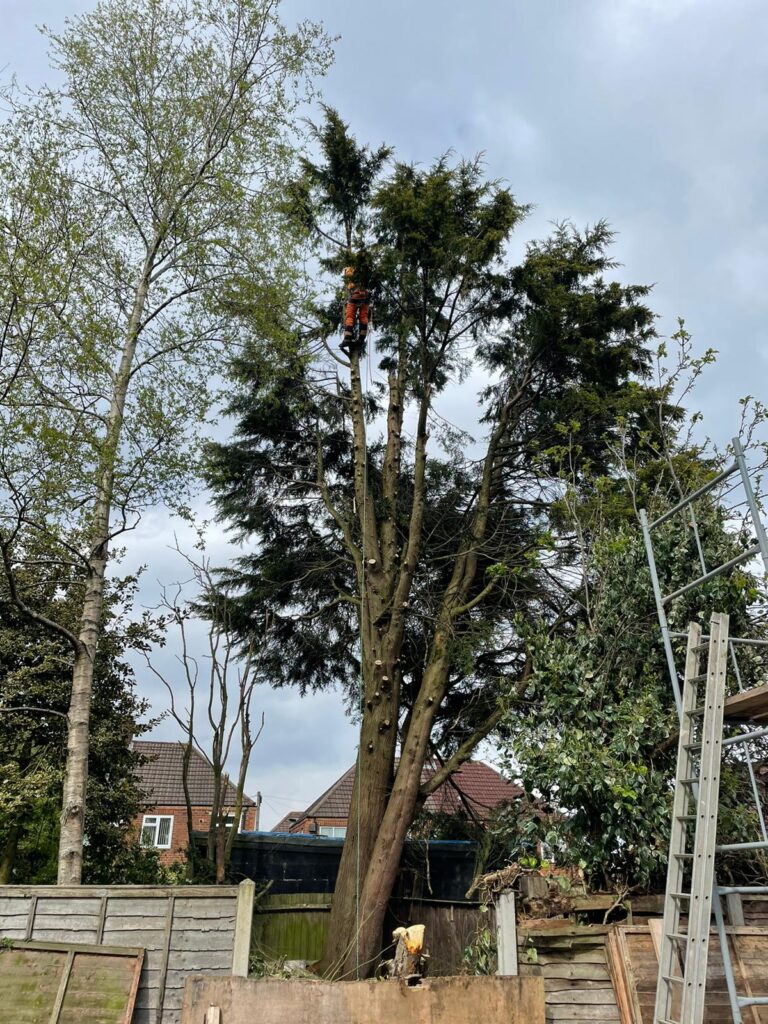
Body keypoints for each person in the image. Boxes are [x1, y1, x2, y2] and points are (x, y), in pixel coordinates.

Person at [340, 263, 371, 355]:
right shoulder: (366, 270)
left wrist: (347, 270)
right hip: (365, 296)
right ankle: (361, 338)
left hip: (355, 295)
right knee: (363, 317)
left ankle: (348, 338)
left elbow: (349, 277)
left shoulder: (351, 268)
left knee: (349, 317)